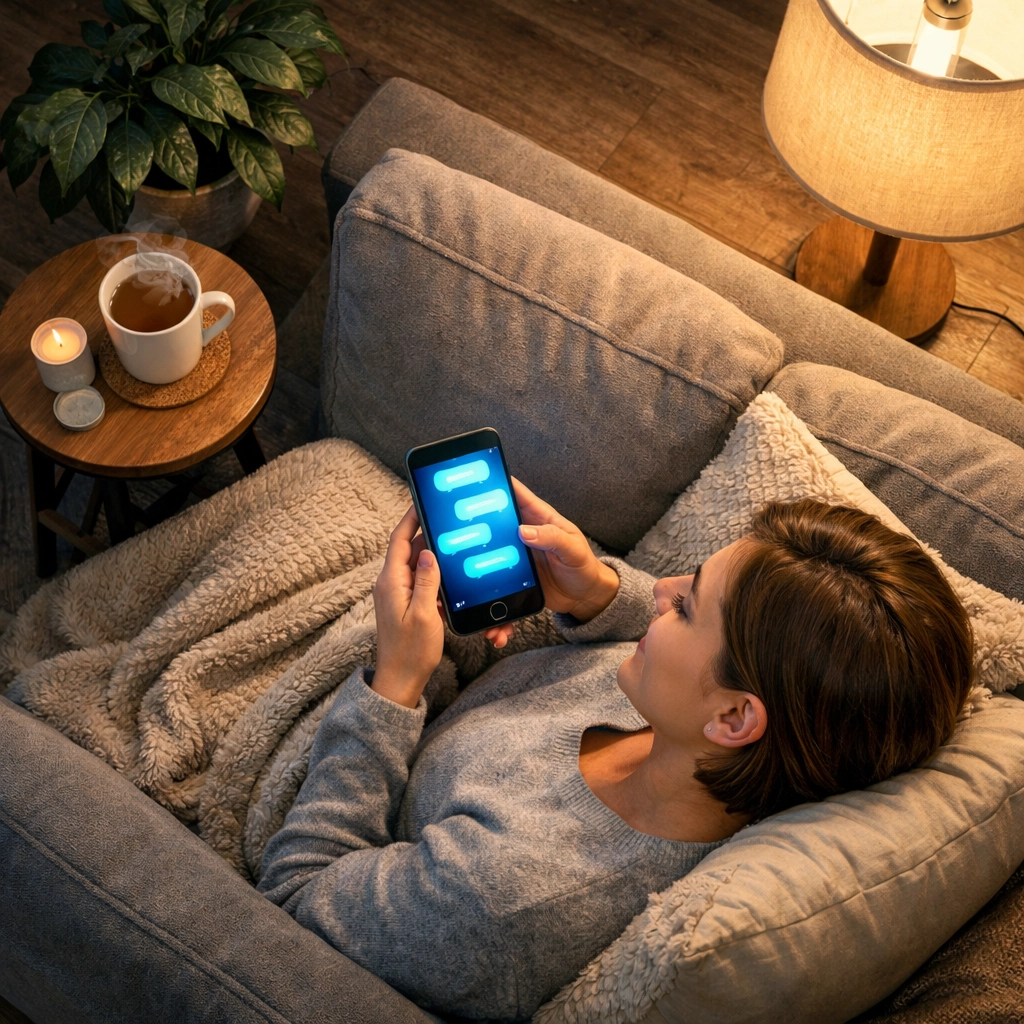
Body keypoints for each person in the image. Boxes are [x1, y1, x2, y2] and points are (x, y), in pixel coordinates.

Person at [258, 484, 974, 1020]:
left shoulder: (508, 900)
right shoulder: (686, 727)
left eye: (686, 606)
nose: (655, 588)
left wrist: (395, 684)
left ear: (733, 717)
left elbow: (294, 895)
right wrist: (599, 593)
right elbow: (631, 625)